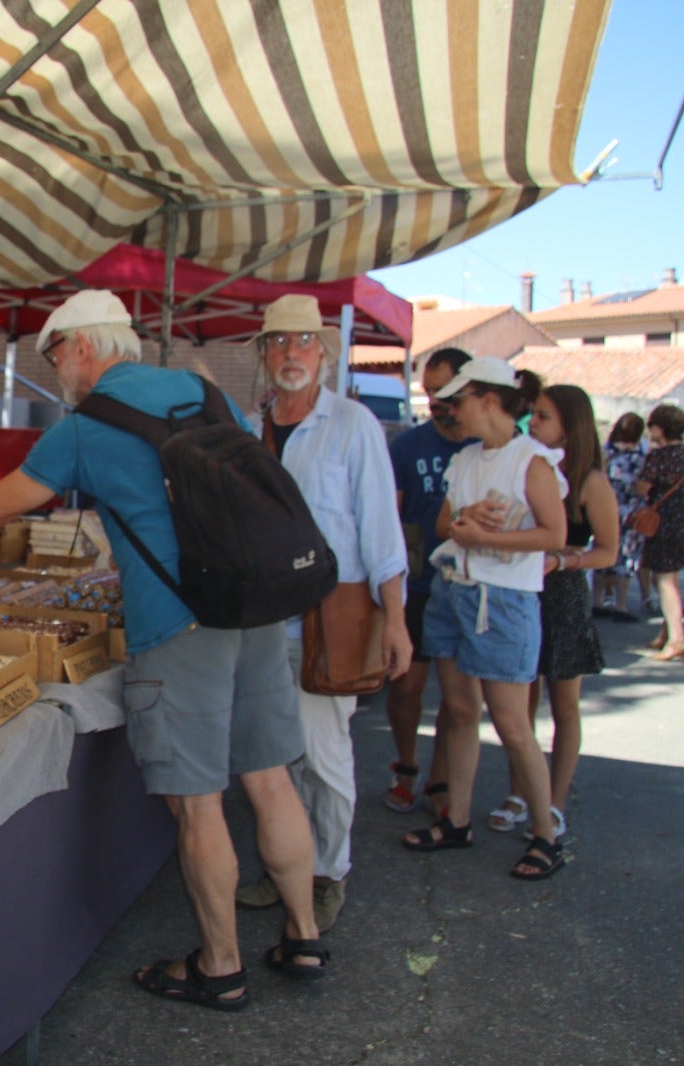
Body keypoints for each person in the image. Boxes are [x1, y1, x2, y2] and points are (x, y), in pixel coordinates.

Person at [0, 289, 325, 1009]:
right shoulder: (204, 393)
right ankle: (303, 938)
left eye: (54, 353)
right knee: (271, 779)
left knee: (198, 805)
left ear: (83, 345)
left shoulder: (87, 426)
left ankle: (220, 966)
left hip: (177, 628)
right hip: (252, 610)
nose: (56, 369)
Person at [233, 295, 410, 935]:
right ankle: (285, 867)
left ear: (324, 352)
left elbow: (381, 531)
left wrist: (395, 620)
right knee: (269, 758)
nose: (290, 354)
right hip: (260, 622)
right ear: (262, 353)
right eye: (277, 343)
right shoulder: (253, 428)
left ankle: (328, 874)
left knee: (324, 759)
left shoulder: (352, 422)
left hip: (330, 620)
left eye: (303, 342)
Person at [400, 357, 568, 881]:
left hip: (505, 599)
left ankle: (546, 834)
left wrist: (482, 535)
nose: (451, 410)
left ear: (489, 400)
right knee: (458, 708)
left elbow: (554, 537)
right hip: (455, 591)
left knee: (512, 724)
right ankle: (458, 820)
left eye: (459, 399)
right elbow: (447, 521)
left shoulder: (532, 462)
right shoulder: (468, 458)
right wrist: (468, 524)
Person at [485, 385, 617, 841]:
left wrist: (563, 559)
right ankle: (521, 792)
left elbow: (609, 551)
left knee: (564, 704)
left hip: (561, 594)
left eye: (542, 416)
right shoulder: (525, 465)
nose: (532, 424)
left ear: (569, 425)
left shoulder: (590, 481)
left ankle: (555, 802)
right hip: (522, 586)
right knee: (521, 702)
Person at [380, 348, 472, 822]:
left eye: (444, 390)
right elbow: (389, 518)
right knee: (406, 687)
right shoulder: (407, 447)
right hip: (416, 587)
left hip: (469, 589)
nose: (434, 400)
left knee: (458, 702)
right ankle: (406, 767)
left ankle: (439, 778)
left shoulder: (485, 446)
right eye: (429, 390)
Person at [637, 405, 684, 661]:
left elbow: (642, 488)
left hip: (662, 524)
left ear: (659, 428)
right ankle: (668, 630)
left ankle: (677, 638)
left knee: (664, 580)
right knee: (667, 579)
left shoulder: (658, 457)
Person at [595, 413, 650, 620]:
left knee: (601, 553)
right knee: (625, 557)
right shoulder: (641, 457)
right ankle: (621, 605)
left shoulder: (604, 452)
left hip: (603, 509)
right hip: (630, 511)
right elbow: (642, 487)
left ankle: (598, 601)